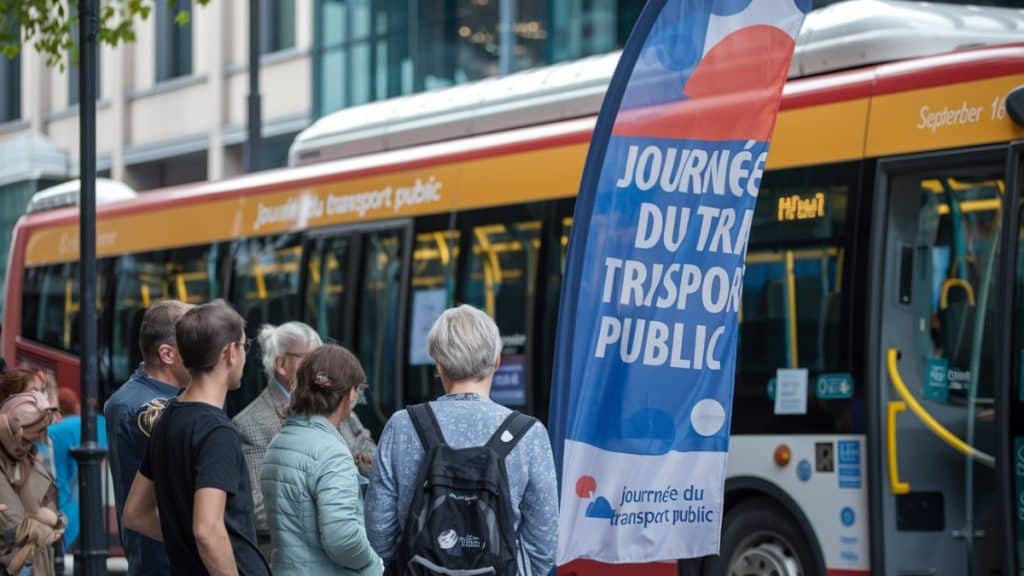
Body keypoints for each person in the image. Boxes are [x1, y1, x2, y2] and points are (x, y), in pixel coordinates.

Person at [365, 305, 558, 575]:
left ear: (438, 364)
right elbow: (544, 546)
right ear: (497, 361)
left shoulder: (402, 426)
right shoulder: (529, 434)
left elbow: (378, 535)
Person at [124, 300, 269, 576]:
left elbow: (136, 513)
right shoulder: (217, 432)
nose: (246, 355)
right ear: (229, 353)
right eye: (244, 346)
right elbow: (207, 530)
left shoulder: (167, 418)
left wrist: (185, 545)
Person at [234, 323, 376, 556]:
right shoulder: (250, 424)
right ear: (281, 364)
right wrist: (332, 511)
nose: (321, 369)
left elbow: (372, 455)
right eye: (311, 359)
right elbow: (260, 511)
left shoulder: (340, 407)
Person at [260, 344, 382, 576]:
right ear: (350, 393)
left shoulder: (281, 440)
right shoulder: (331, 452)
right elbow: (342, 538)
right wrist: (374, 562)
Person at [104, 300, 193, 576]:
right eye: (195, 341)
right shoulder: (146, 407)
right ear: (167, 354)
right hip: (166, 562)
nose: (207, 352)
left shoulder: (149, 397)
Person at [0, 391, 64, 576]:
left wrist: (54, 520)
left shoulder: (33, 460)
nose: (28, 446)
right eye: (26, 440)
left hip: (37, 563)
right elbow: (13, 523)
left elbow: (51, 508)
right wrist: (43, 525)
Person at [47, 387, 108, 551]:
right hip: (85, 517)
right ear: (76, 406)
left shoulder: (50, 433)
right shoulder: (97, 424)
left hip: (54, 518)